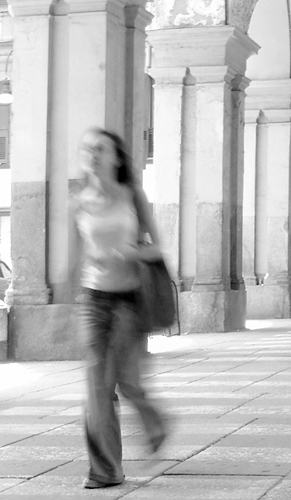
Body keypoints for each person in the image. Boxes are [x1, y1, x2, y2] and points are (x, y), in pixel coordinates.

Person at [69, 128, 168, 489]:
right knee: (97, 388)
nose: (93, 154)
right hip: (93, 301)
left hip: (129, 300)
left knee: (128, 382)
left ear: (116, 157)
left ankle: (153, 419)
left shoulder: (132, 196)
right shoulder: (77, 203)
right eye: (88, 148)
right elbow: (73, 260)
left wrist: (130, 253)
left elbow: (158, 249)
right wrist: (68, 304)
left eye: (101, 148)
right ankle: (105, 470)